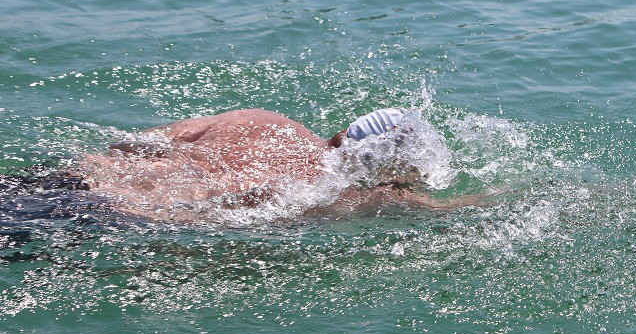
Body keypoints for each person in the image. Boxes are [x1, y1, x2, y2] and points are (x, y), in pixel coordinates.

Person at [67, 107, 481, 222]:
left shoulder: (258, 120)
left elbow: (129, 145)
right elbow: (455, 210)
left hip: (74, 181)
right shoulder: (355, 194)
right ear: (386, 170)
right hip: (114, 218)